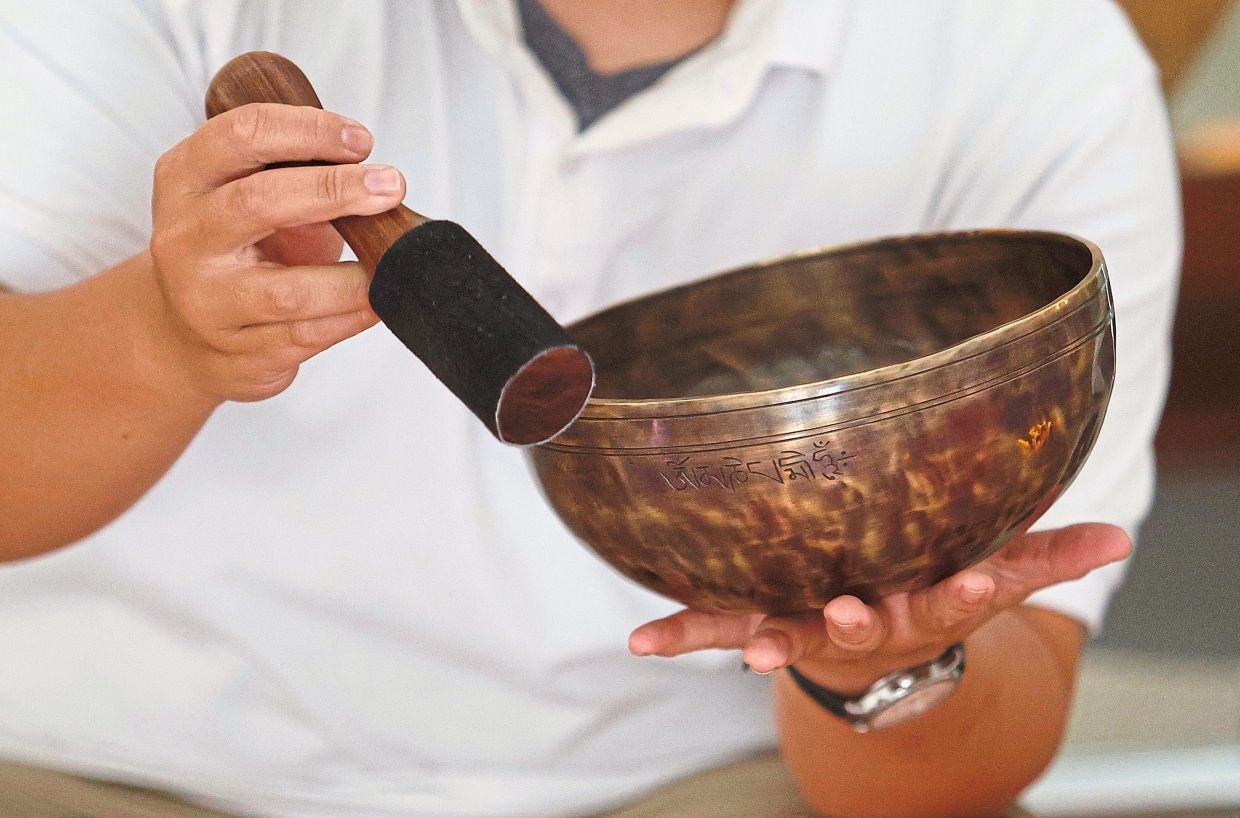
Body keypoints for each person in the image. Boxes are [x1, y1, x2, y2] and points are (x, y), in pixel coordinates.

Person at [0, 1, 1179, 817]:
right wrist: (164, 334)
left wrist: (889, 665)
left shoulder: (1033, 60)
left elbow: (948, 779)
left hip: (688, 781)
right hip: (102, 763)